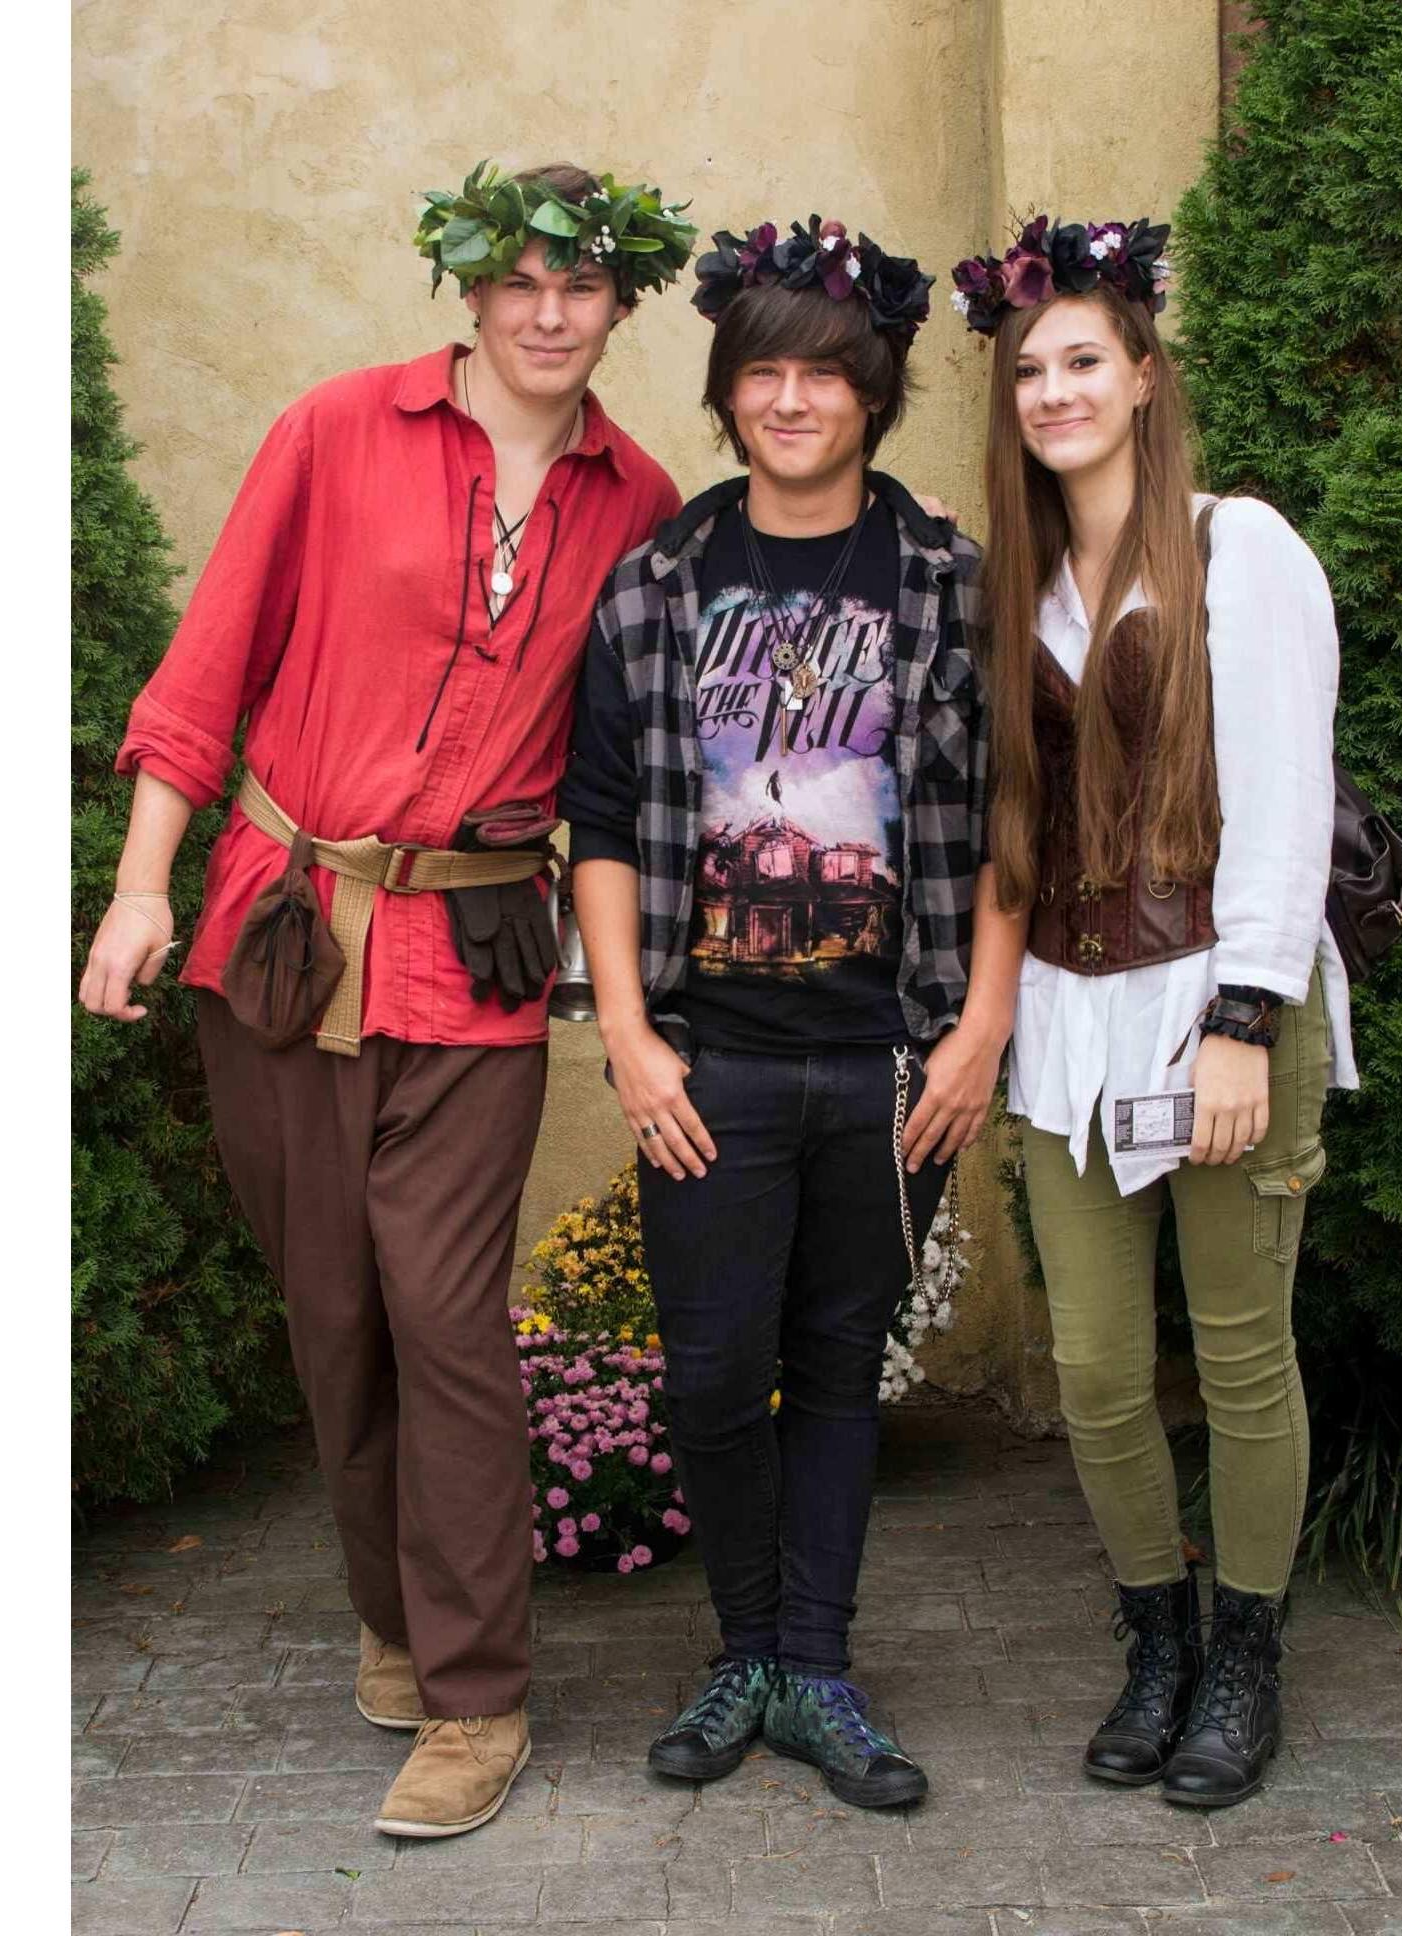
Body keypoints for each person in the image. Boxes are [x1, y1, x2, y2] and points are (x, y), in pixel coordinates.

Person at [76, 160, 695, 1838]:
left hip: (476, 960)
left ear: (618, 305)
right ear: (472, 294)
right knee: (333, 1320)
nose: (551, 312)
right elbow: (210, 664)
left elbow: (642, 760)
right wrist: (142, 884)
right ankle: (392, 1618)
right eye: (522, 282)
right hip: (278, 932)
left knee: (446, 1319)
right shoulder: (336, 430)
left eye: (583, 287)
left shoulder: (638, 502)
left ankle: (479, 1693)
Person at [559, 215, 1021, 1810]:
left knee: (837, 1368)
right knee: (707, 1372)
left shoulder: (949, 582)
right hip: (712, 1065)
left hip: (892, 1059)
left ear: (871, 393)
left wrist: (979, 1033)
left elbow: (1011, 820)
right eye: (759, 374)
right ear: (727, 395)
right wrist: (627, 1032)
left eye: (821, 375)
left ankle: (814, 1667)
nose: (789, 401)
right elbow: (603, 823)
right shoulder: (659, 586)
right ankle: (741, 1648)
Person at [953, 214, 1358, 1807]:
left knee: (1245, 1357)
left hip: (1218, 997)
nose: (1053, 391)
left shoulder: (1238, 547)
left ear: (1140, 373)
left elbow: (1281, 796)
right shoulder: (1018, 590)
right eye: (1028, 370)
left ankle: (1245, 1662)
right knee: (1102, 1368)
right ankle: (1156, 1644)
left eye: (1080, 361)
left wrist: (1247, 1019)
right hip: (1069, 1019)